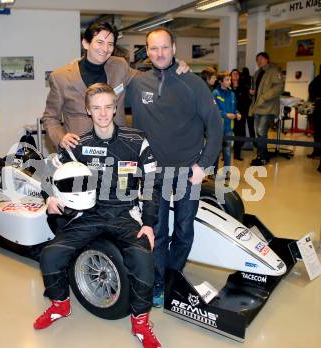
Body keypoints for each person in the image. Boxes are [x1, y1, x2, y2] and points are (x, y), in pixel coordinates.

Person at [35, 83, 163, 348]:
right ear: (87, 110)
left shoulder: (137, 139)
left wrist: (149, 223)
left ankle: (140, 323)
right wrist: (50, 196)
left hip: (124, 214)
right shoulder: (78, 144)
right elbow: (48, 173)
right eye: (96, 108)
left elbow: (152, 183)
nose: (103, 113)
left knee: (143, 259)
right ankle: (60, 305)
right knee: (50, 256)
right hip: (88, 214)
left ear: (115, 108)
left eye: (108, 107)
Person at [126, 28, 222, 307]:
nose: (159, 54)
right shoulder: (137, 83)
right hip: (153, 173)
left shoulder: (193, 82)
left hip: (186, 173)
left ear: (174, 48)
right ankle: (158, 280)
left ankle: (172, 273)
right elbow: (106, 102)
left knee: (183, 229)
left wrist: (204, 165)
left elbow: (215, 125)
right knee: (156, 230)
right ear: (147, 50)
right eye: (153, 48)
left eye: (164, 47)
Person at [42, 21, 189, 150]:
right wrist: (61, 138)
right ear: (85, 43)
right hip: (80, 152)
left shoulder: (119, 66)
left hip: (117, 151)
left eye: (110, 44)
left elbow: (148, 79)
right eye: (99, 42)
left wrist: (174, 64)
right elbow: (50, 118)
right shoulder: (61, 77)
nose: (105, 49)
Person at [248, 52, 284, 165]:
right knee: (258, 133)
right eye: (257, 59)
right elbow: (255, 89)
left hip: (268, 107)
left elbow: (279, 87)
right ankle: (262, 154)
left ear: (267, 59)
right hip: (257, 107)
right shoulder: (257, 73)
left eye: (261, 59)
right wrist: (252, 93)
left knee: (261, 131)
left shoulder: (274, 70)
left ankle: (262, 157)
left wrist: (264, 97)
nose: (259, 61)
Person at [213, 71, 241, 169]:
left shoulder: (232, 94)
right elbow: (214, 110)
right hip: (218, 128)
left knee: (228, 150)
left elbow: (234, 108)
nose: (230, 81)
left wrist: (237, 113)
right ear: (221, 81)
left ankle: (227, 172)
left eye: (230, 79)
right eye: (227, 80)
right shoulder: (215, 93)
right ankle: (213, 172)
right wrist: (225, 115)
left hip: (229, 128)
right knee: (216, 151)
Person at [230, 69, 249, 161]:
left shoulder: (244, 87)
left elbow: (246, 102)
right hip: (229, 115)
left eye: (237, 73)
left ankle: (237, 154)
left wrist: (242, 114)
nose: (235, 75)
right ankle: (226, 154)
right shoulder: (227, 87)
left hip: (240, 115)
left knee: (240, 135)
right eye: (233, 73)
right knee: (227, 134)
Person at [308, 71, 321, 159]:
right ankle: (316, 151)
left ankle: (316, 152)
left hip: (319, 105)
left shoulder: (317, 78)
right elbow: (311, 87)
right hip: (319, 106)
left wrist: (314, 98)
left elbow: (311, 87)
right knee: (317, 132)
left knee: (317, 132)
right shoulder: (318, 78)